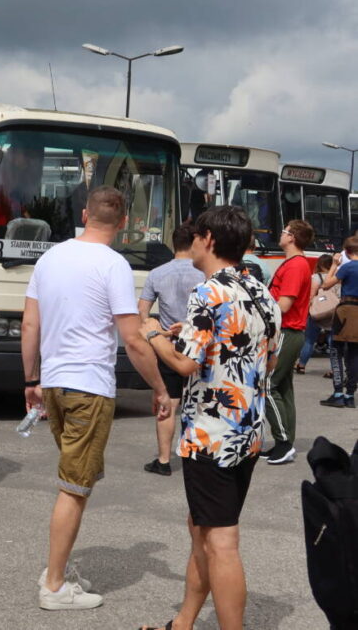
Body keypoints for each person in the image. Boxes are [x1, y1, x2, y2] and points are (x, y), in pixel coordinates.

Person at [21, 185, 171, 612]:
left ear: (85, 213)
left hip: (53, 384)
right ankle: (53, 585)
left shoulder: (50, 258)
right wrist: (159, 389)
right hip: (89, 385)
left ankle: (59, 567)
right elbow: (133, 338)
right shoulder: (114, 265)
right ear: (123, 223)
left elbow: (30, 324)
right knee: (74, 488)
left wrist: (30, 379)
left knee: (74, 479)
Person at [138, 205, 281, 630]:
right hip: (247, 433)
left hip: (211, 434)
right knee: (202, 527)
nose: (193, 241)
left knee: (220, 541)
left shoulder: (208, 291)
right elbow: (266, 362)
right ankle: (183, 623)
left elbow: (183, 366)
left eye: (197, 235)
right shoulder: (260, 292)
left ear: (210, 240)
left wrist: (151, 335)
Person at [137, 222, 205, 476]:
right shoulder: (204, 273)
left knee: (169, 402)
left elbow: (142, 311)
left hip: (167, 346)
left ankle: (164, 460)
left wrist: (157, 331)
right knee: (201, 401)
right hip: (198, 343)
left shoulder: (157, 273)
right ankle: (198, 455)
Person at [264, 219, 314, 465]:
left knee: (267, 385)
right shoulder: (296, 263)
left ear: (292, 236)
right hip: (289, 331)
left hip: (286, 330)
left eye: (284, 231)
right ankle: (284, 442)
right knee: (283, 388)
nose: (281, 234)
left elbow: (284, 304)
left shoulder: (295, 265)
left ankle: (283, 442)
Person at [317, 237, 358, 408]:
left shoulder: (347, 267)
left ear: (346, 252)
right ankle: (350, 394)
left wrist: (334, 264)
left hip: (345, 310)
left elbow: (326, 285)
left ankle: (338, 392)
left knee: (336, 350)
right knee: (355, 354)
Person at [295, 254, 334, 375]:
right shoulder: (336, 277)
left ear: (320, 264)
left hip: (317, 313)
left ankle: (301, 366)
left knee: (309, 340)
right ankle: (334, 369)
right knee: (332, 342)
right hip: (332, 313)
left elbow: (311, 296)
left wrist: (308, 310)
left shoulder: (316, 277)